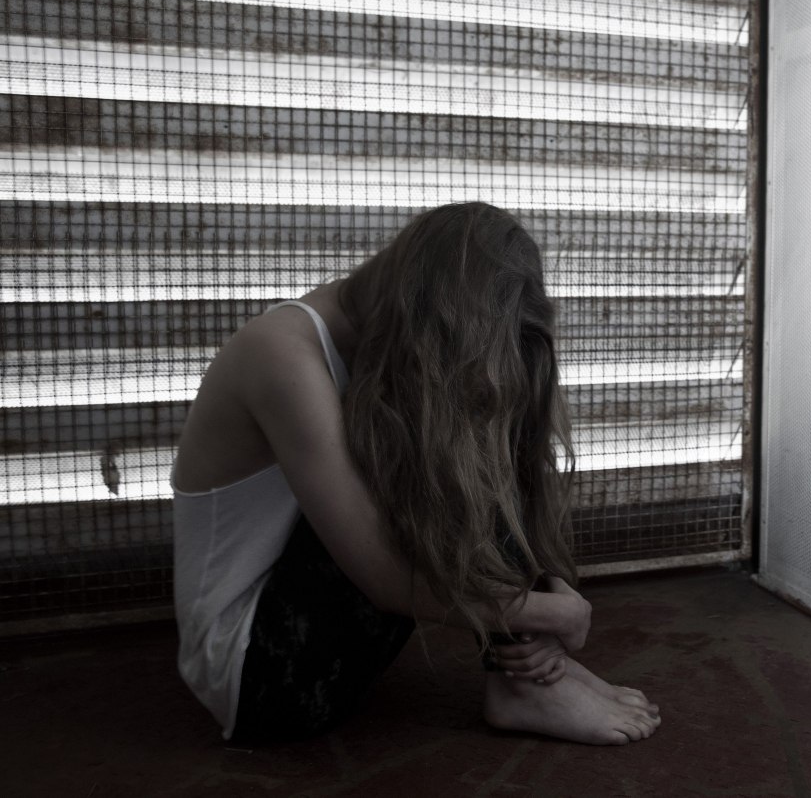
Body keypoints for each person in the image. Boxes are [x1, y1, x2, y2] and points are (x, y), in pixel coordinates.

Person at [171, 202, 660, 745]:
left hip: (312, 648)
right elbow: (382, 579)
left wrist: (543, 591)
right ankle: (530, 684)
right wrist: (548, 614)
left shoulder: (375, 335)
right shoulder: (281, 353)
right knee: (444, 441)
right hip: (260, 676)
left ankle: (530, 681)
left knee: (465, 423)